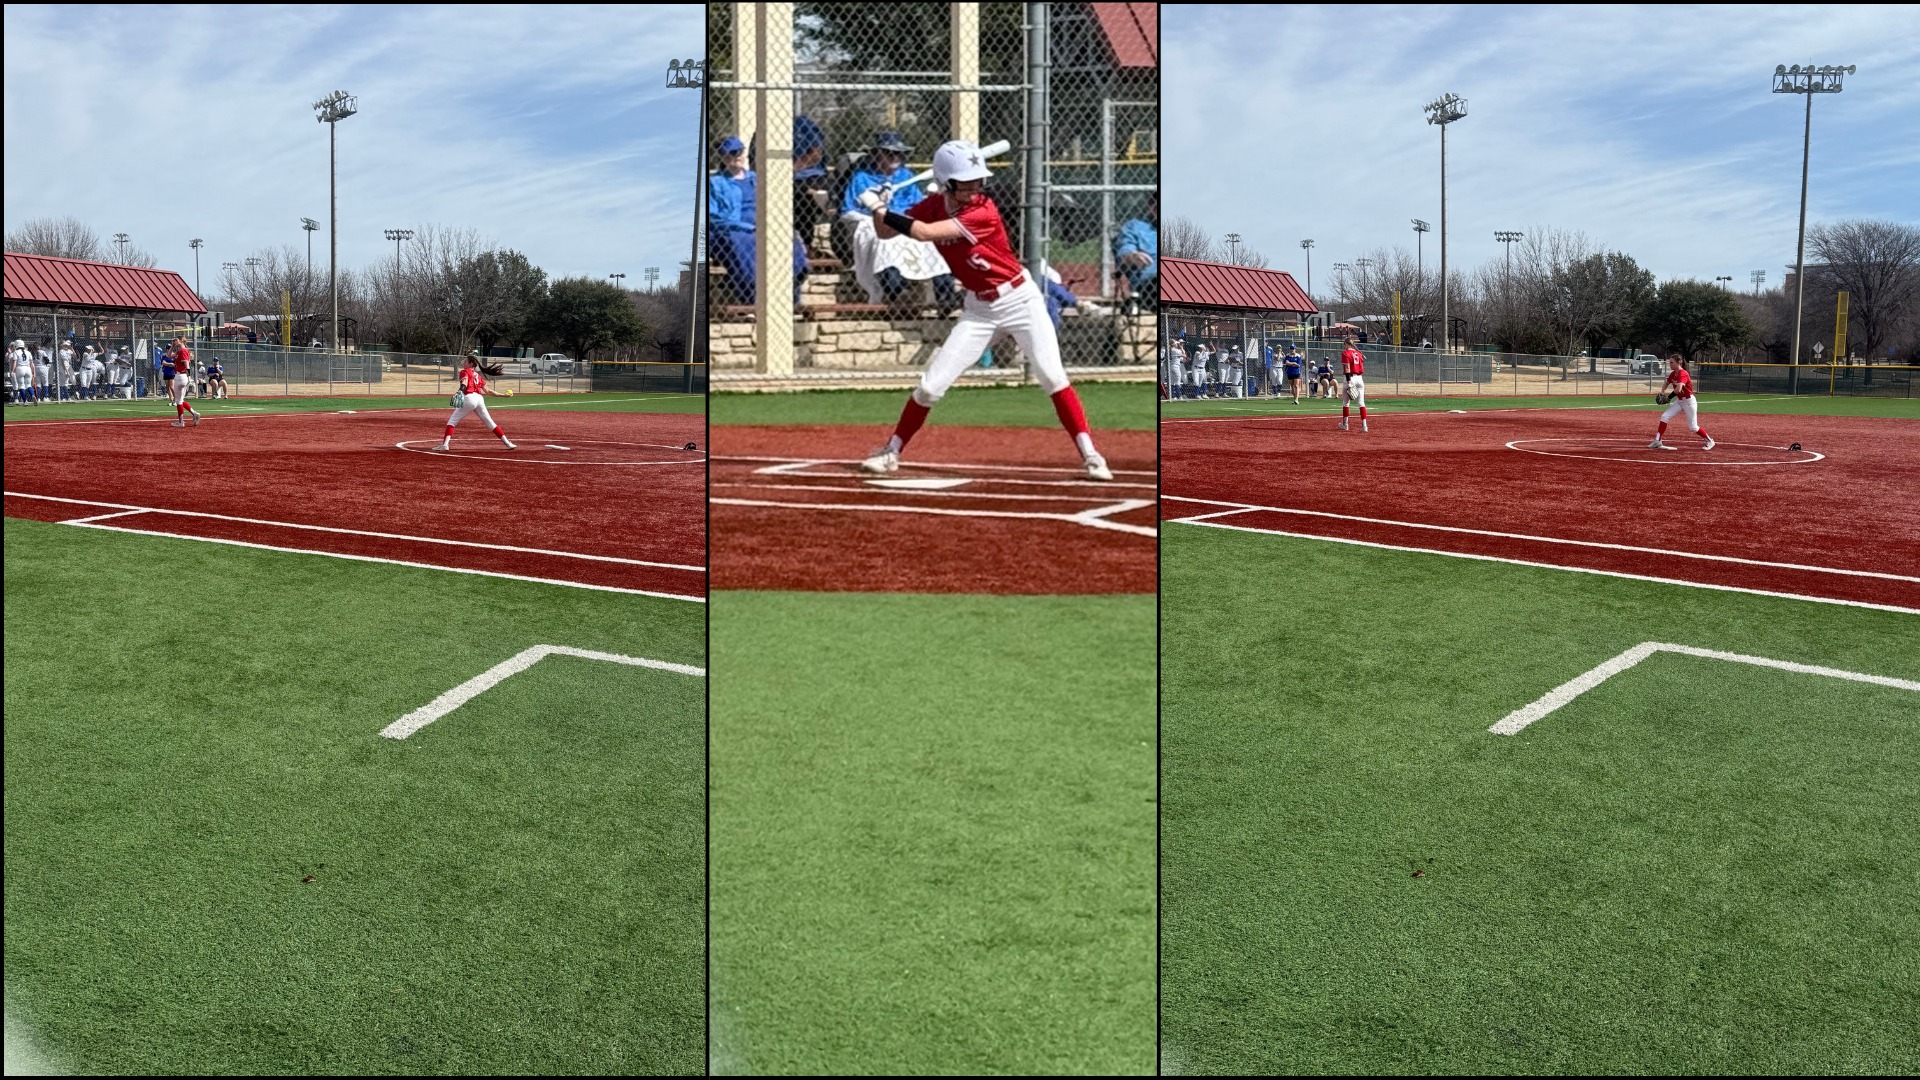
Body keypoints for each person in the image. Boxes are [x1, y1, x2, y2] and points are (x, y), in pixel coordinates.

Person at [856, 140, 1111, 481]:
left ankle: (1091, 455)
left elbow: (924, 233)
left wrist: (879, 205)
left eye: (978, 180)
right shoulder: (933, 204)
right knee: (931, 387)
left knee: (1052, 376)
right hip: (979, 309)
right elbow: (884, 232)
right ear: (948, 182)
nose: (977, 187)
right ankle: (891, 451)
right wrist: (880, 208)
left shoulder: (983, 210)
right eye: (968, 181)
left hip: (1020, 300)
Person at [837, 132, 959, 310]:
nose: (896, 158)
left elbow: (916, 204)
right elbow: (851, 210)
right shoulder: (862, 177)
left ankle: (945, 294)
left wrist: (928, 201)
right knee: (884, 243)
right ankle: (896, 292)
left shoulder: (905, 176)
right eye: (890, 153)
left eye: (899, 154)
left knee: (930, 242)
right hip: (874, 222)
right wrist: (878, 212)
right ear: (878, 154)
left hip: (904, 222)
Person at [707, 134, 807, 306]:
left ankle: (790, 292)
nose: (736, 156)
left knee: (787, 238)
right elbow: (714, 215)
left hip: (762, 223)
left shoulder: (757, 178)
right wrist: (745, 226)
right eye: (731, 153)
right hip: (734, 228)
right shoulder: (715, 183)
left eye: (739, 151)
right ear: (723, 157)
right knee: (743, 242)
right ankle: (752, 296)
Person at [434, 352, 516, 451]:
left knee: (452, 422)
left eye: (466, 362)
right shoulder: (478, 376)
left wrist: (460, 391)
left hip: (469, 398)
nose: (464, 364)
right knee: (490, 423)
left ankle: (445, 445)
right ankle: (508, 443)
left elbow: (465, 382)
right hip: (479, 399)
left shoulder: (465, 372)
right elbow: (488, 392)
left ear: (471, 364)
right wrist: (504, 395)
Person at [1649, 354, 1714, 450]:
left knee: (1693, 427)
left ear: (1678, 363)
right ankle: (1657, 441)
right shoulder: (1673, 373)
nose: (1670, 364)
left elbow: (1679, 389)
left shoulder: (1682, 373)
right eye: (1669, 362)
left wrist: (1669, 398)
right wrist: (1662, 392)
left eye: (1672, 362)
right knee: (1664, 417)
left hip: (1689, 402)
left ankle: (1710, 441)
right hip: (1680, 401)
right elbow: (1667, 383)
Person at [1113, 193, 1158, 308]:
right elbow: (1124, 254)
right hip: (1149, 286)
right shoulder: (1135, 227)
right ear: (1150, 207)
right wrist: (1132, 256)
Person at [166, 340, 202, 426]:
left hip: (181, 376)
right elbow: (169, 355)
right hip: (180, 376)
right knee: (180, 400)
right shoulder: (179, 351)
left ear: (181, 341)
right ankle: (194, 413)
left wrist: (189, 377)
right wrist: (172, 346)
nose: (174, 341)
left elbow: (186, 364)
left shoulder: (183, 350)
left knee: (178, 401)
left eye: (176, 340)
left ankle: (181, 422)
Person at [1337, 339, 1368, 432]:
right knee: (1361, 403)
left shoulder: (1346, 353)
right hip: (1360, 378)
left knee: (1346, 403)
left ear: (1346, 344)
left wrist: (1348, 381)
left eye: (1344, 344)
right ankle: (1364, 426)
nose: (1344, 346)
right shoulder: (1359, 353)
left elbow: (1347, 367)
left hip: (1350, 377)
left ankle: (1345, 424)